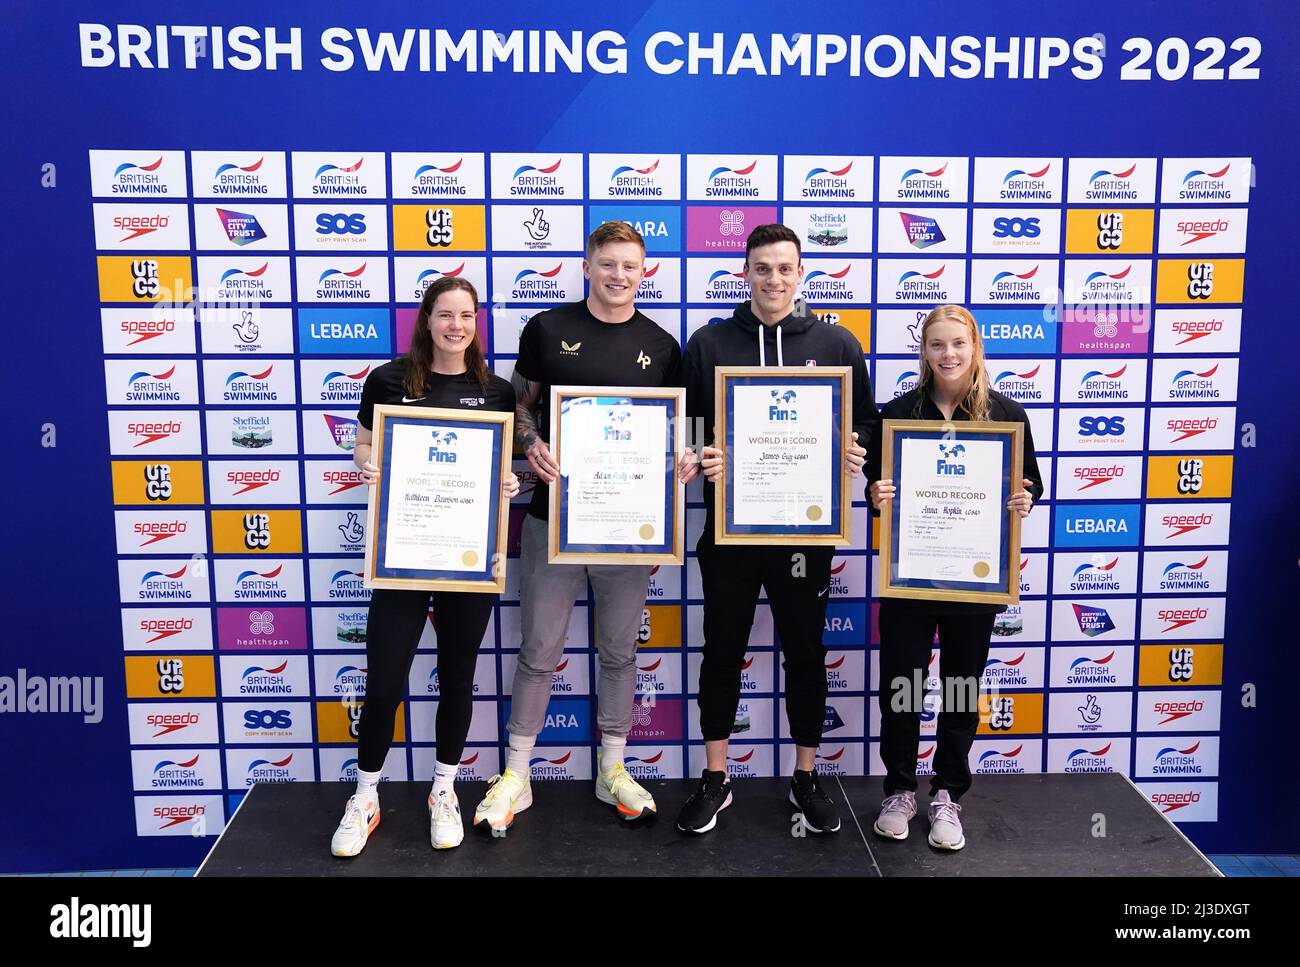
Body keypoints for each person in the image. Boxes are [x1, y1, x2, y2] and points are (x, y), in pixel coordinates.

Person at [472, 221, 684, 832]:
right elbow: (516, 403)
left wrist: (688, 458)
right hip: (552, 520)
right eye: (608, 263)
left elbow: (681, 428)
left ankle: (612, 768)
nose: (619, 275)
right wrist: (532, 441)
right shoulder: (548, 328)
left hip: (626, 527)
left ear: (645, 272)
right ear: (587, 265)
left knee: (620, 651)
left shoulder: (663, 345)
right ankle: (517, 773)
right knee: (539, 649)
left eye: (631, 266)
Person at [675, 223, 879, 835]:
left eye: (785, 268)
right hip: (730, 536)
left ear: (800, 274)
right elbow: (685, 425)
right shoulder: (709, 343)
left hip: (803, 539)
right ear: (744, 273)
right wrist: (697, 454)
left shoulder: (837, 344)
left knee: (806, 655)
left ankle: (806, 778)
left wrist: (855, 450)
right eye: (762, 268)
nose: (774, 279)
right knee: (722, 653)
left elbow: (865, 421)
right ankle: (717, 779)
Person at [330, 276, 519, 855]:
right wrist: (366, 465)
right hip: (402, 554)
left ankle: (444, 789)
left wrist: (509, 484)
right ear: (427, 319)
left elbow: (501, 471)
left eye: (466, 315)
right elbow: (363, 446)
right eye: (444, 314)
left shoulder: (497, 391)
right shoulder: (389, 379)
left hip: (467, 558)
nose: (455, 325)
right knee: (385, 677)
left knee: (458, 675)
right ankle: (365, 796)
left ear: (477, 322)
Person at [866, 303, 1041, 851]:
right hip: (909, 576)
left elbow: (1030, 483)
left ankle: (948, 794)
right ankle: (899, 789)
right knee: (903, 686)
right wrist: (876, 495)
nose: (948, 354)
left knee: (963, 684)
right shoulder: (895, 414)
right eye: (937, 344)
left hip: (973, 577)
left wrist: (1024, 497)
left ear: (975, 349)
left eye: (958, 344)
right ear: (924, 351)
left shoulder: (1007, 415)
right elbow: (876, 491)